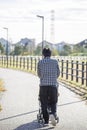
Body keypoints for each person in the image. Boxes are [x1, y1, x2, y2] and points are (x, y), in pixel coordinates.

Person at [37, 48, 60, 126]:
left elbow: (39, 74)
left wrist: (44, 77)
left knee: (43, 103)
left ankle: (46, 121)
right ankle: (52, 114)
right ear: (50, 54)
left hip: (43, 86)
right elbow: (58, 73)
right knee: (53, 102)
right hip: (53, 85)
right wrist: (53, 78)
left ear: (43, 54)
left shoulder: (40, 62)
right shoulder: (55, 61)